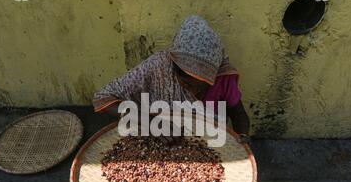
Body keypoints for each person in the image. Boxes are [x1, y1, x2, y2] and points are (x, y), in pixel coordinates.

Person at [92, 15, 250, 143]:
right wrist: (150, 121)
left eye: (202, 85)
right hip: (161, 139)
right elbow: (103, 99)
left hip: (210, 140)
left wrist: (241, 136)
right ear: (173, 67)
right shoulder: (159, 66)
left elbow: (239, 115)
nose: (193, 90)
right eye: (186, 83)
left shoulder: (223, 78)